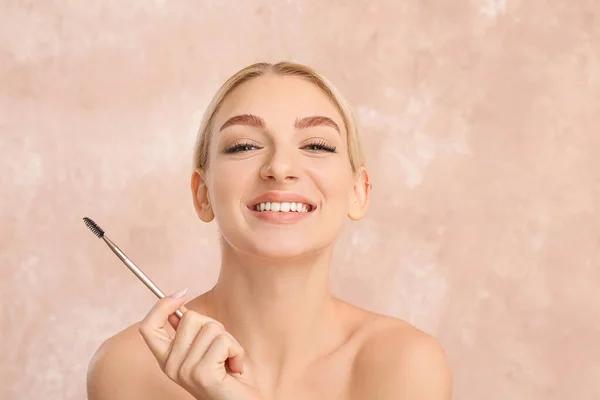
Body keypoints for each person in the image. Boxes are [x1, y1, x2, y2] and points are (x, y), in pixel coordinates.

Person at [86, 61, 452, 400]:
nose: (279, 166)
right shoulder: (127, 368)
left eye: (316, 145)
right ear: (202, 195)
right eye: (244, 145)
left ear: (359, 191)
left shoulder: (406, 364)